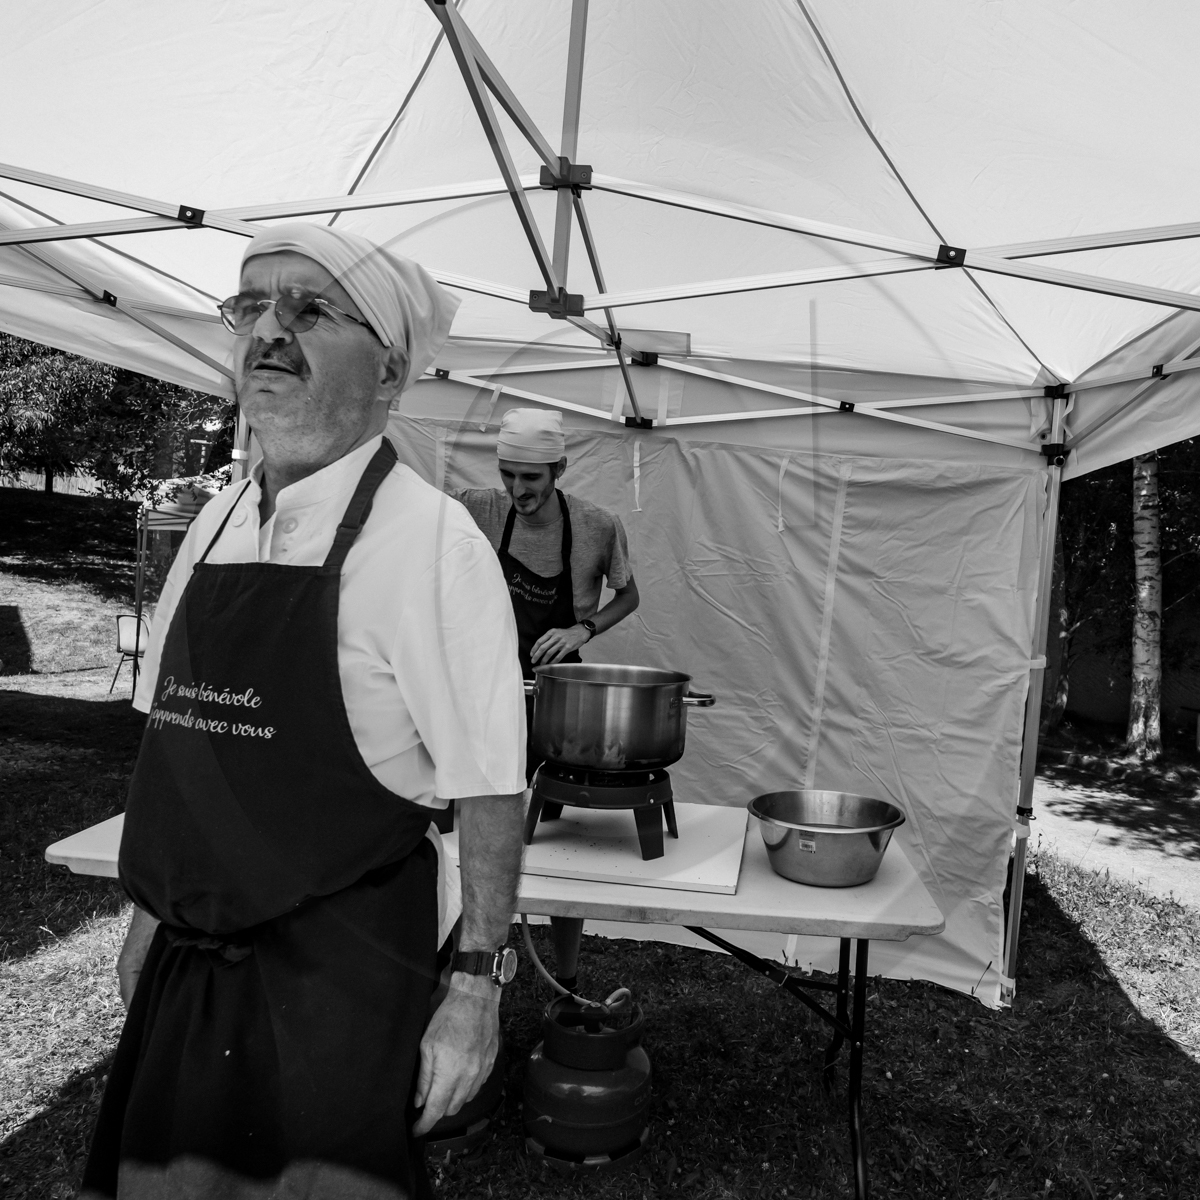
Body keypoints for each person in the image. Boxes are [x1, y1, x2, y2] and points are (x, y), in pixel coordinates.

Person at [81, 223, 527, 1200]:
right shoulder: (215, 519)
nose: (268, 333)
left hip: (338, 988)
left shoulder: (433, 547)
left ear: (390, 371)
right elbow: (176, 737)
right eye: (251, 307)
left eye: (311, 310)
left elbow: (491, 789)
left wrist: (474, 990)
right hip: (187, 981)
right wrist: (149, 922)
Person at [450, 408, 639, 993]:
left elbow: (628, 595)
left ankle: (568, 976)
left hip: (556, 701)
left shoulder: (595, 527)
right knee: (468, 833)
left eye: (530, 478)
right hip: (484, 691)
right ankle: (463, 964)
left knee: (560, 848)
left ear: (559, 467)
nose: (517, 490)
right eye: (508, 474)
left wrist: (584, 630)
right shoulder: (475, 507)